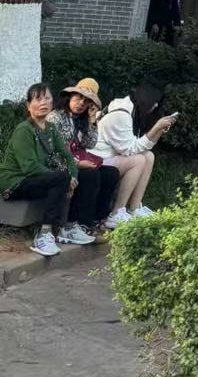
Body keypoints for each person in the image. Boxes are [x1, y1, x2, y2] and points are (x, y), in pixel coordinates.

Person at [0, 82, 96, 256]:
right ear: (29, 106)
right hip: (15, 182)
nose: (43, 102)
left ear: (52, 103)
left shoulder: (50, 128)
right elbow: (29, 167)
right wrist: (65, 177)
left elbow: (67, 156)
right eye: (38, 99)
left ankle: (67, 227)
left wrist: (73, 176)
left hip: (36, 178)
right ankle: (44, 235)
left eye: (47, 98)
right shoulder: (24, 130)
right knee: (60, 178)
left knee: (80, 175)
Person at [97, 83, 178, 224]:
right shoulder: (121, 114)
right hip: (99, 158)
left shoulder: (133, 111)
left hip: (112, 156)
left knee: (149, 156)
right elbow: (131, 150)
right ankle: (117, 212)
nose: (154, 107)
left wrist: (159, 131)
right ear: (145, 100)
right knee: (139, 160)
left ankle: (134, 208)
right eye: (154, 103)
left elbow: (143, 147)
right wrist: (156, 127)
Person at [50, 78, 120, 238]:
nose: (81, 103)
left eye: (87, 101)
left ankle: (97, 219)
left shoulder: (81, 120)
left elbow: (90, 143)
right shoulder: (56, 117)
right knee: (90, 174)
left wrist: (91, 119)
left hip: (75, 160)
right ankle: (78, 223)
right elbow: (53, 150)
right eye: (78, 97)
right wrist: (78, 164)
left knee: (111, 173)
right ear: (70, 96)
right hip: (58, 164)